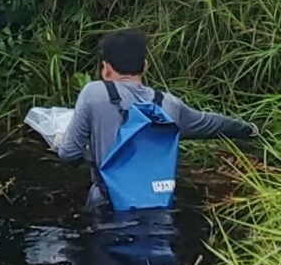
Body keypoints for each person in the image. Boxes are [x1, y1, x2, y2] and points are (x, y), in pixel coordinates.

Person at [54, 28, 254, 211]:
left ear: (105, 68)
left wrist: (65, 143)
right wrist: (250, 129)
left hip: (108, 207)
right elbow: (213, 124)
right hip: (159, 206)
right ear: (145, 66)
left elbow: (69, 154)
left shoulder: (94, 93)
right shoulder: (169, 104)